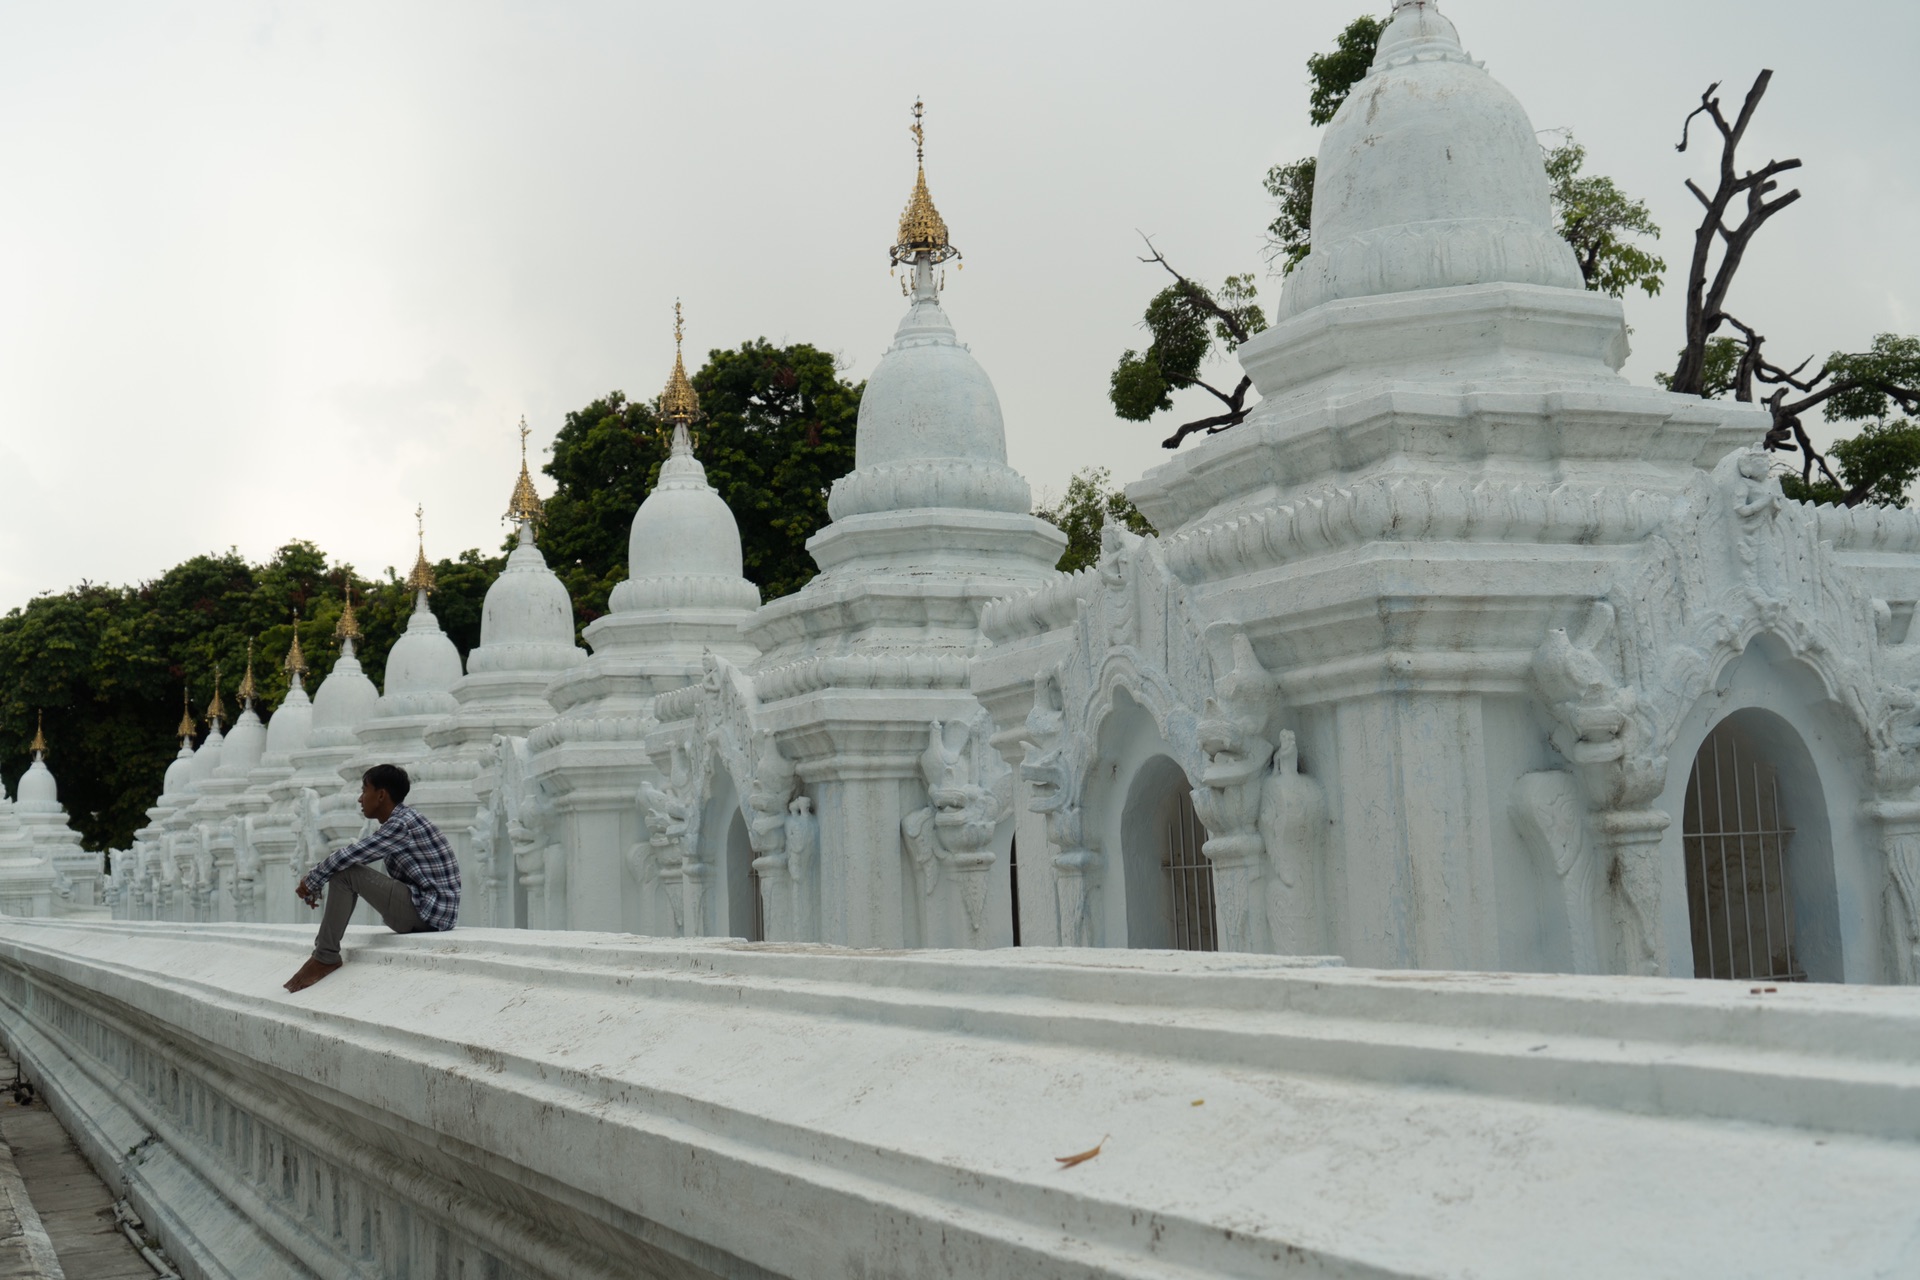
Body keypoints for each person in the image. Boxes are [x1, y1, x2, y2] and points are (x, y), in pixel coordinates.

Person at [282, 764, 461, 993]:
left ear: (381, 794)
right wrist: (317, 881)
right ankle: (324, 955)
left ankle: (325, 956)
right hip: (429, 912)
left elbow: (350, 855)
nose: (359, 798)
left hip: (428, 913)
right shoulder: (401, 821)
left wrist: (312, 880)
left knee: (346, 871)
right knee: (344, 869)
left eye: (364, 790)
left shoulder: (401, 824)